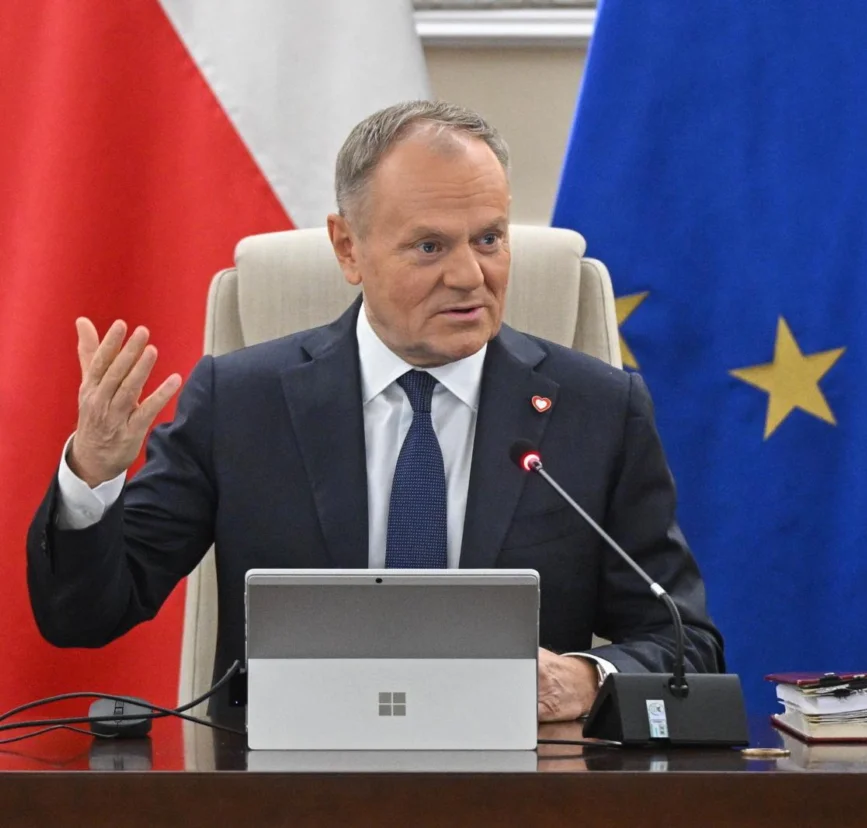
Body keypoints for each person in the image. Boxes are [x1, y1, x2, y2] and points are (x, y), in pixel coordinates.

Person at [26, 101, 724, 720]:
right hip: (290, 786)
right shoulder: (240, 405)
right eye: (430, 246)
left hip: (518, 785)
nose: (469, 276)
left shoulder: (597, 410)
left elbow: (684, 642)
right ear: (348, 249)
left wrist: (587, 678)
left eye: (488, 239)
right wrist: (93, 474)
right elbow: (84, 616)